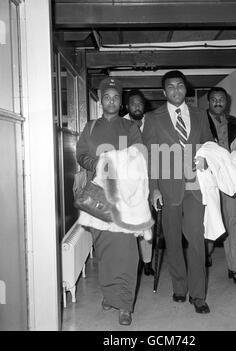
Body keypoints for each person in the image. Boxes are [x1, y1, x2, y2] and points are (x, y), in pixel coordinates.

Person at [143, 70, 213, 313]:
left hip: (196, 187)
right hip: (167, 187)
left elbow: (208, 146)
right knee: (172, 241)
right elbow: (150, 157)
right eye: (170, 87)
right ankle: (180, 287)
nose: (176, 90)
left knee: (196, 241)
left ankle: (199, 295)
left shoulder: (200, 115)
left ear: (186, 88)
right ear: (164, 92)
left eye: (180, 85)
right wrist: (153, 189)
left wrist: (206, 159)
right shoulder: (153, 118)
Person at [76, 77, 143, 326]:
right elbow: (81, 153)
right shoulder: (90, 126)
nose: (111, 101)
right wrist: (97, 164)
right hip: (97, 196)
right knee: (103, 249)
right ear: (101, 100)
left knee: (126, 252)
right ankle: (109, 294)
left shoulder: (130, 128)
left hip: (125, 196)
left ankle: (125, 304)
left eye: (116, 97)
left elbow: (140, 155)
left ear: (120, 101)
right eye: (107, 97)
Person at [206, 86, 236, 285]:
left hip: (227, 177)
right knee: (206, 219)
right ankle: (205, 256)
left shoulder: (235, 124)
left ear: (226, 102)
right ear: (209, 101)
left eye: (221, 99)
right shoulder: (199, 121)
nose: (218, 102)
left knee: (231, 221)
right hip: (206, 177)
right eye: (214, 99)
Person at [124, 89, 155, 276]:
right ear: (127, 106)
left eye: (140, 103)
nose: (137, 106)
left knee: (147, 222)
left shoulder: (152, 122)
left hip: (150, 181)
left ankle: (147, 261)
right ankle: (130, 262)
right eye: (133, 103)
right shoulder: (120, 124)